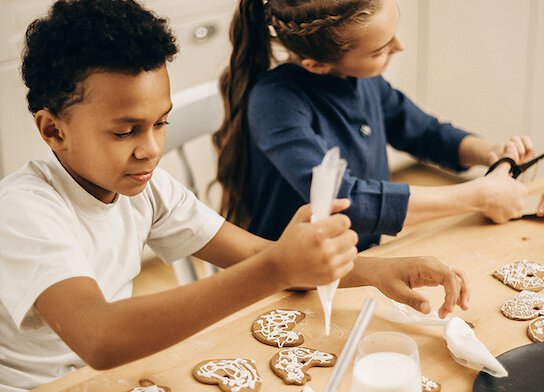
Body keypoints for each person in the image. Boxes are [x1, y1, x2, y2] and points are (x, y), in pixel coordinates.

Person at [0, 0, 469, 390]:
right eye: (125, 132)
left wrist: (377, 270)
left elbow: (253, 254)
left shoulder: (149, 190)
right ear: (53, 130)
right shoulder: (23, 211)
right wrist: (275, 269)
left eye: (161, 123)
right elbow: (99, 337)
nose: (151, 150)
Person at [213, 0, 542, 251]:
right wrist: (477, 195)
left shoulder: (363, 79)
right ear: (317, 65)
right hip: (293, 278)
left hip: (362, 257)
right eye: (381, 49)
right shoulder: (276, 102)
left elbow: (425, 132)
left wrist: (489, 151)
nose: (400, 47)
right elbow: (343, 201)